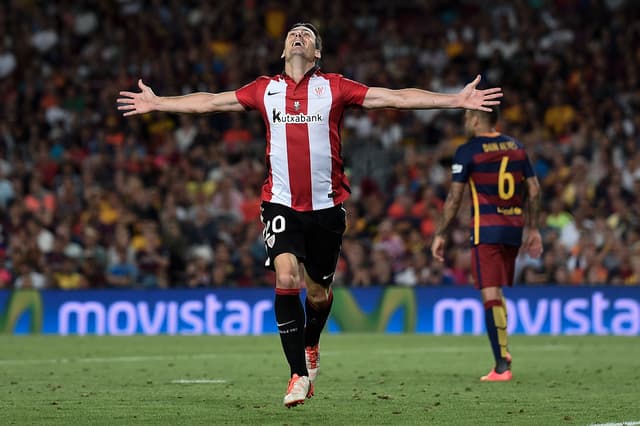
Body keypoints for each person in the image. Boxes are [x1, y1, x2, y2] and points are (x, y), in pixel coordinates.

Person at [118, 22, 503, 407]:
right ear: (284, 51)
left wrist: (454, 100)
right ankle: (297, 375)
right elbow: (210, 101)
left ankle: (312, 343)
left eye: (306, 35)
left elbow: (395, 97)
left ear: (316, 53)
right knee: (286, 275)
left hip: (327, 210)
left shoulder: (334, 87)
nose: (297, 37)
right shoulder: (264, 89)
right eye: (292, 35)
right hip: (281, 203)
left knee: (318, 295)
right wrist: (159, 103)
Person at [430, 108, 542, 381]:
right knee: (497, 291)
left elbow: (455, 199)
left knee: (490, 294)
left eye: (468, 117)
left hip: (487, 231)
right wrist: (534, 227)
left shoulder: (468, 151)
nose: (466, 121)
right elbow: (535, 189)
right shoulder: (516, 146)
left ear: (477, 120)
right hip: (513, 229)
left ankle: (502, 365)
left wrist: (441, 233)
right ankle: (503, 347)